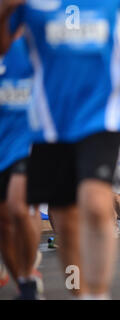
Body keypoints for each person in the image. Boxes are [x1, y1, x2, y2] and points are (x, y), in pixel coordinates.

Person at [0, 0, 120, 299]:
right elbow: (4, 46)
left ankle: (97, 294)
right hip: (49, 123)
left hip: (103, 115)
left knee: (97, 205)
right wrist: (6, 9)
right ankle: (78, 292)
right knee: (66, 222)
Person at [0, 34, 42, 299]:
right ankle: (24, 283)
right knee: (3, 221)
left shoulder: (32, 44)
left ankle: (28, 273)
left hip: (27, 141)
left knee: (19, 206)